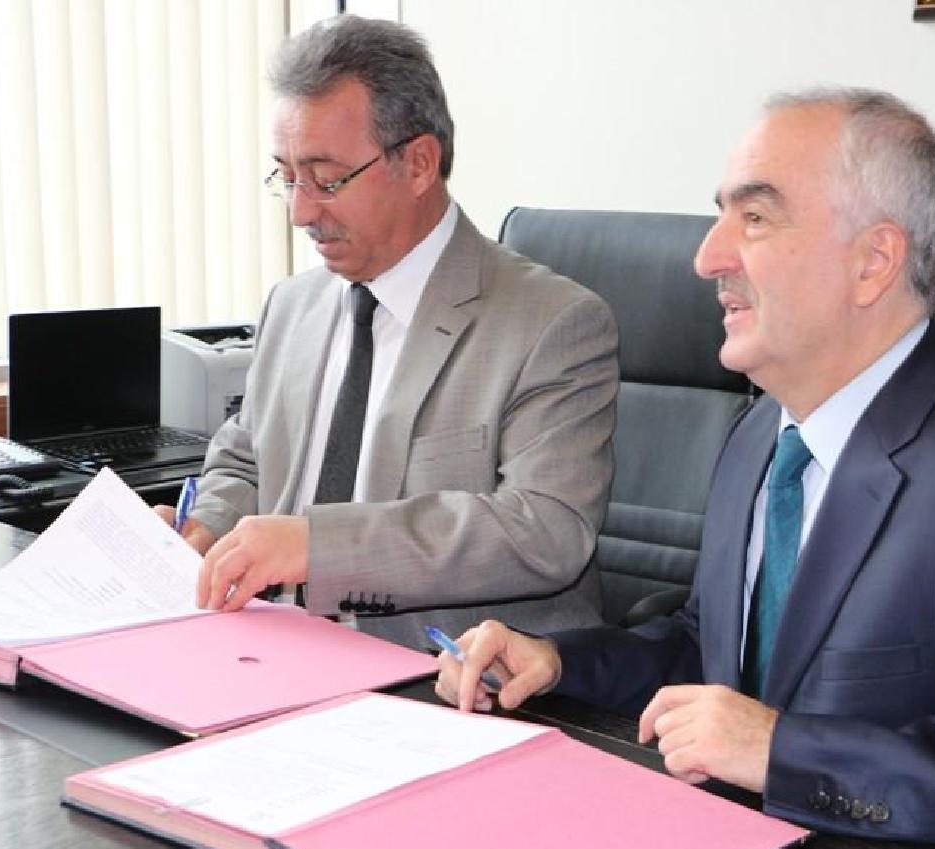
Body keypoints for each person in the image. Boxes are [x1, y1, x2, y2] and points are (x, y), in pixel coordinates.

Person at [436, 88, 935, 849]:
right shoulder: (764, 433)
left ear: (873, 262)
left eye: (754, 218)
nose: (707, 257)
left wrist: (782, 752)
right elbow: (714, 653)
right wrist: (559, 661)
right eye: (721, 215)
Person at [161, 16, 619, 651]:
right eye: (287, 177)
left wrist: (318, 548)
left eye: (326, 178)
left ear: (420, 163)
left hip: (447, 677)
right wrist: (210, 529)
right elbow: (246, 457)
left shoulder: (552, 323)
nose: (301, 211)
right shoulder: (292, 305)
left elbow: (545, 531)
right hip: (274, 652)